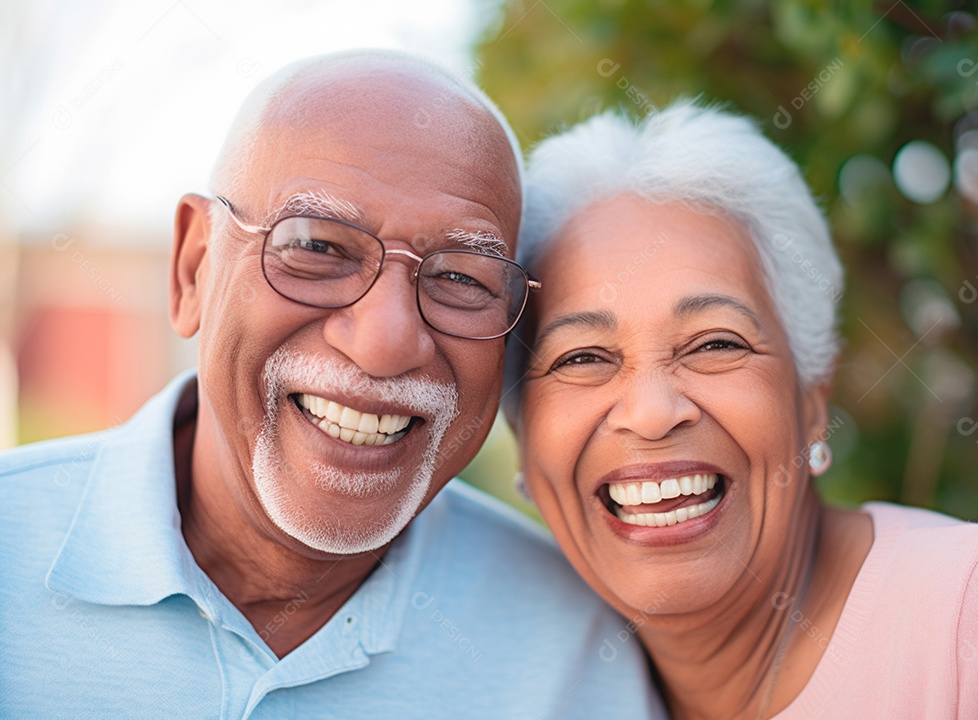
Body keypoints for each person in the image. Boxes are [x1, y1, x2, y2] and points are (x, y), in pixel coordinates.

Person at [0, 50, 664, 719]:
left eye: (462, 277)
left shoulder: (570, 646)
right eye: (318, 246)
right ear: (193, 269)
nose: (386, 343)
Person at [505, 100, 978, 719]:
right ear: (522, 433)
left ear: (813, 397)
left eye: (715, 344)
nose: (651, 413)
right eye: (582, 357)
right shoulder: (531, 688)